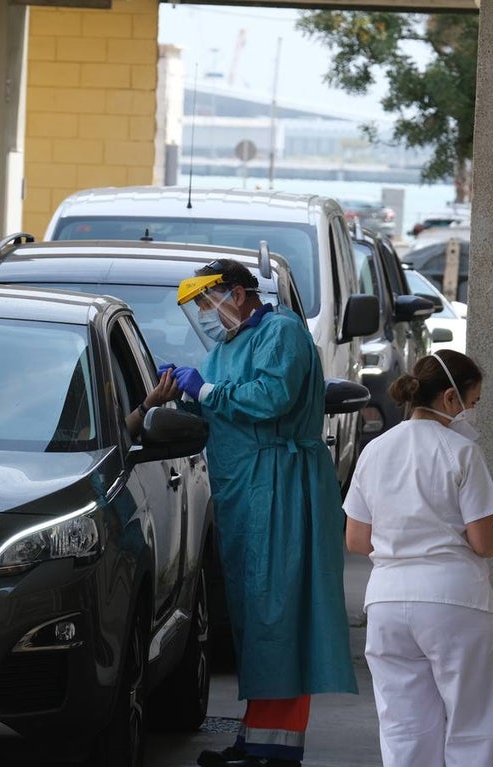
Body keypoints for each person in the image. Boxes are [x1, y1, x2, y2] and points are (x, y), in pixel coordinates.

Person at [152, 259, 357, 767]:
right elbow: (223, 403)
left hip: (280, 489)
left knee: (279, 613)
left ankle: (275, 749)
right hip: (246, 494)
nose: (205, 314)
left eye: (208, 302)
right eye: (198, 307)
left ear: (239, 294)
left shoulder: (281, 333)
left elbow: (270, 398)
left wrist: (206, 391)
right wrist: (185, 397)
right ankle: (255, 738)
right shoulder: (229, 343)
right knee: (255, 617)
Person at [342, 350, 493, 767]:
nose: (472, 413)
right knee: (475, 725)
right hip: (454, 602)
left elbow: (356, 540)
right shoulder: (461, 452)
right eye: (472, 403)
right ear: (451, 400)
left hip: (386, 604)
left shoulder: (375, 451)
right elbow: (481, 540)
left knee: (404, 728)